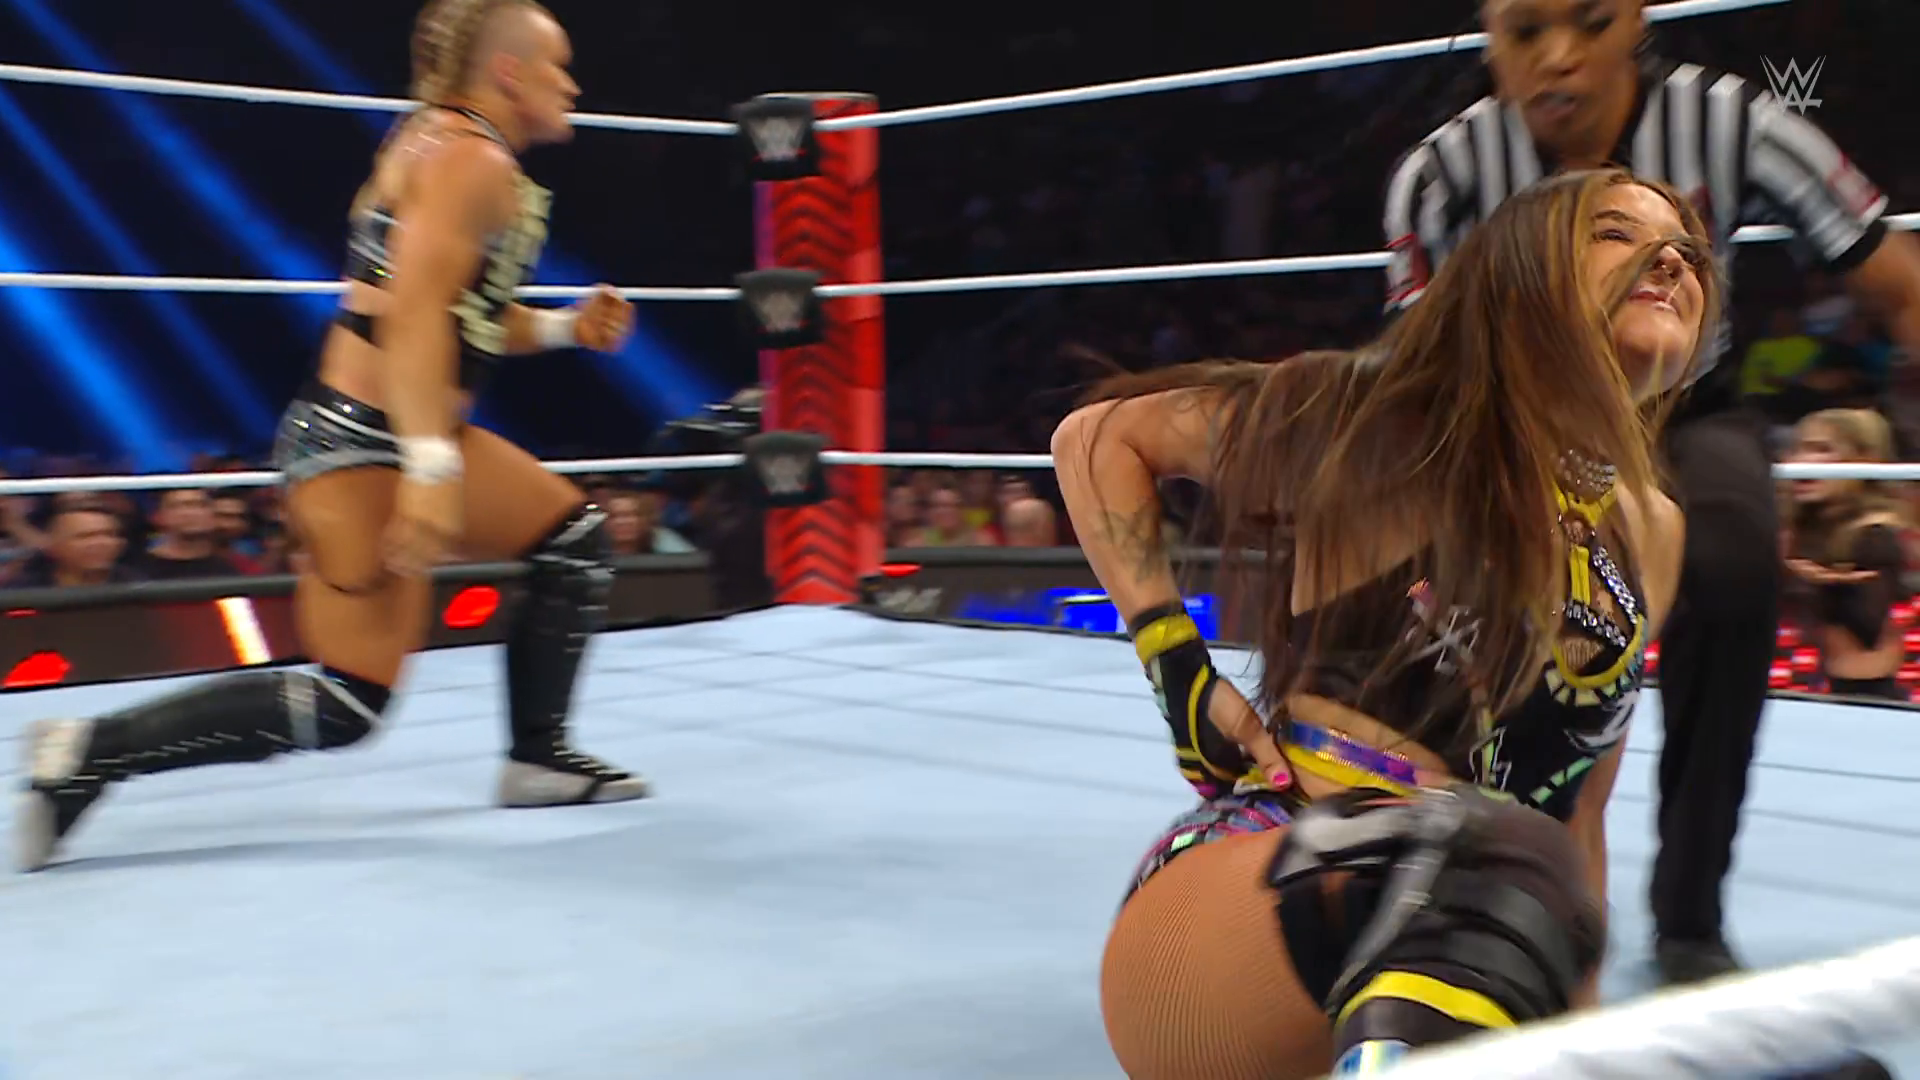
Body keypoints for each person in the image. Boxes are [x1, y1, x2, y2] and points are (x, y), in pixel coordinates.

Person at [1059, 168, 1708, 1080]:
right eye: (1615, 232)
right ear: (1522, 271)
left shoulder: (1655, 532)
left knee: (1529, 874)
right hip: (1251, 906)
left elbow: (1580, 818)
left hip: (1480, 929)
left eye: (1690, 252)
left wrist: (1580, 1038)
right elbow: (1097, 440)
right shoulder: (1385, 418)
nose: (1671, 260)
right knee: (1489, 856)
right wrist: (1181, 674)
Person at [15, 0, 649, 874]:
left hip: (383, 426)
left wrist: (566, 327)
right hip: (369, 441)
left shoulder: (432, 140)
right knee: (346, 702)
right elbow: (415, 320)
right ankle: (88, 750)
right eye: (556, 65)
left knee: (573, 540)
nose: (571, 85)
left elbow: (452, 314)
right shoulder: (472, 161)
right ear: (508, 72)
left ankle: (538, 757)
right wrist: (429, 472)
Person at [1383, 0, 1920, 988]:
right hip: (1518, 418)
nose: (1559, 60)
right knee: (1455, 594)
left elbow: (1898, 279)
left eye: (1588, 23)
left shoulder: (1734, 121)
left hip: (1686, 405)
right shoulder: (1445, 173)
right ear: (1490, 36)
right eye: (1525, 33)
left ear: (1634, 17)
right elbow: (1417, 374)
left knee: (1736, 558)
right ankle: (1465, 886)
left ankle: (1689, 916)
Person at [1782, 409, 1912, 702]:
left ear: (1864, 461)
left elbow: (1866, 631)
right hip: (1801, 690)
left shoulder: (1877, 536)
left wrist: (1815, 583)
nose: (1801, 461)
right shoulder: (1800, 528)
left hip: (1862, 694)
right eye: (1798, 448)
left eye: (1821, 449)